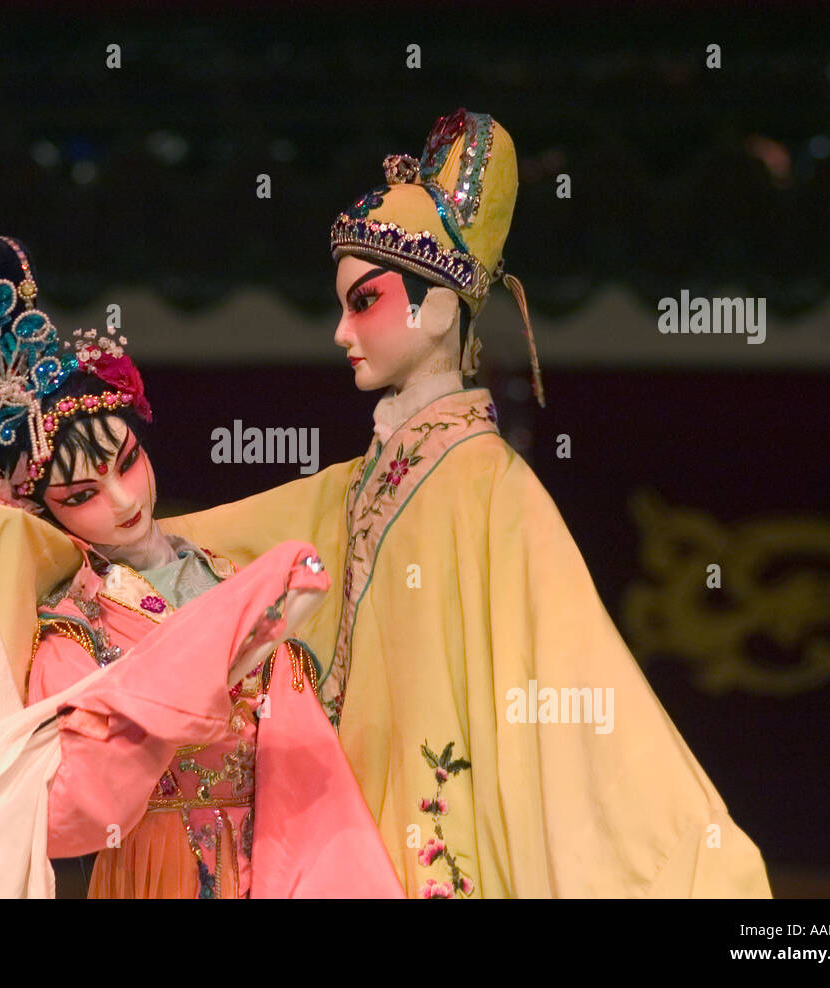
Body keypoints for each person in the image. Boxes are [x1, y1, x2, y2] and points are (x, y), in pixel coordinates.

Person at [161, 109, 773, 898]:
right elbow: (207, 551)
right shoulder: (358, 486)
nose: (342, 333)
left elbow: (580, 690)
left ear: (440, 307)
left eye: (365, 301)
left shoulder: (489, 487)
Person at [0, 236, 401, 898]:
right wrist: (179, 684)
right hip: (157, 867)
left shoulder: (227, 572)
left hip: (280, 852)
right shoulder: (71, 630)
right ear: (43, 510)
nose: (124, 501)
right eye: (81, 496)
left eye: (128, 462)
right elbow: (68, 815)